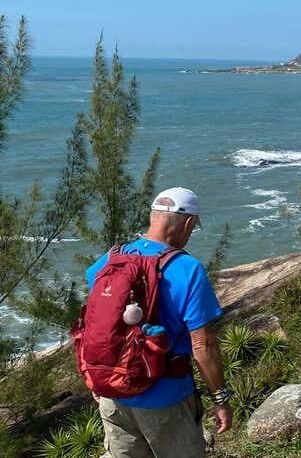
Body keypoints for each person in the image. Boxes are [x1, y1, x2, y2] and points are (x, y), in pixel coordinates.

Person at [86, 187, 233, 458]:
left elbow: (94, 324)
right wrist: (220, 399)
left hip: (114, 394)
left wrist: (98, 378)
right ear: (188, 223)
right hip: (166, 399)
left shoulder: (110, 260)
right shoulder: (187, 269)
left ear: (154, 216)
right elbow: (202, 345)